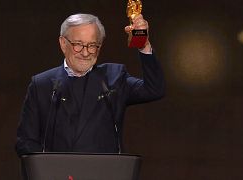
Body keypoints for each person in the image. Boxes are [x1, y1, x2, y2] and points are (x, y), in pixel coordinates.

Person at [15, 13, 164, 156]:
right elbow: (25, 142)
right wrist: (52, 168)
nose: (86, 53)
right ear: (63, 43)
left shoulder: (114, 78)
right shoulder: (42, 84)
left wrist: (142, 44)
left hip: (103, 173)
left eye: (92, 45)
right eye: (78, 45)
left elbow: (154, 89)